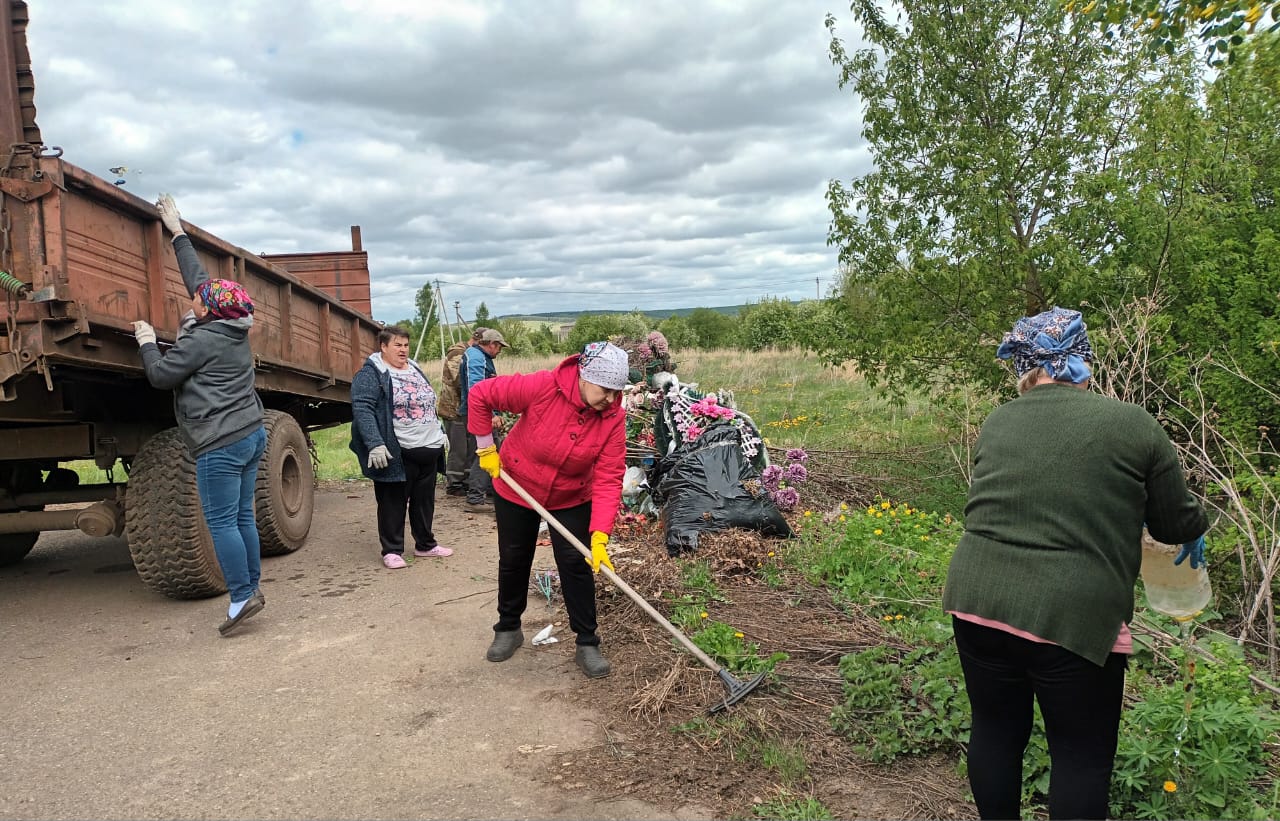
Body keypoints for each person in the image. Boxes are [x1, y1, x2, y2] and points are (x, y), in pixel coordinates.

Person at [941, 306, 1208, 820]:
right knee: (1081, 758)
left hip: (976, 598)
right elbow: (1175, 523)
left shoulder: (999, 419)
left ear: (1026, 368)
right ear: (1083, 361)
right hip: (1075, 614)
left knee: (996, 731)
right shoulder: (1131, 423)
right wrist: (1191, 529)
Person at [132, 194, 268, 637]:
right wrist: (176, 231)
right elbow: (200, 282)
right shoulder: (231, 326)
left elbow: (159, 376)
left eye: (199, 301)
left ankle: (242, 596)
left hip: (220, 442)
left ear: (207, 311)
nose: (193, 299)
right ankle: (251, 587)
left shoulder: (201, 341)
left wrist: (147, 340)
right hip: (250, 432)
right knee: (243, 516)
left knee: (223, 521)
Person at [468, 341, 629, 678]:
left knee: (575, 563)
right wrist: (486, 447)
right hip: (517, 485)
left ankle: (587, 643)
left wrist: (600, 534)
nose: (611, 400)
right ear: (584, 377)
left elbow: (609, 476)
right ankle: (508, 629)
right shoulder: (544, 386)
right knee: (514, 558)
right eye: (605, 390)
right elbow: (481, 394)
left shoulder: (613, 418)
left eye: (617, 392)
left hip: (572, 495)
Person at [350, 326, 453, 569]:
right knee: (393, 501)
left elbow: (427, 402)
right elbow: (363, 409)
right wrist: (374, 443)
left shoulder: (414, 368)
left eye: (406, 345)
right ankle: (392, 550)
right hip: (398, 451)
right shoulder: (372, 373)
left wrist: (439, 431)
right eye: (397, 345)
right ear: (383, 347)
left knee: (424, 500)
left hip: (428, 446)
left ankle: (425, 545)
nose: (403, 349)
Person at [458, 327, 509, 514]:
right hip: (477, 413)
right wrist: (490, 415)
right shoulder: (476, 357)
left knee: (484, 450)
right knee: (486, 451)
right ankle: (475, 498)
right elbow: (477, 390)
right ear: (492, 344)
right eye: (499, 347)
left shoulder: (480, 357)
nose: (499, 351)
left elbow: (490, 390)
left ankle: (487, 491)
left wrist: (496, 411)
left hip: (478, 412)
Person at [438, 327, 486, 497]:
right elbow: (460, 379)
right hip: (453, 409)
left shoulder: (469, 353)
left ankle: (466, 481)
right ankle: (454, 483)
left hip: (465, 408)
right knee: (458, 448)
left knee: (468, 447)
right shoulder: (457, 353)